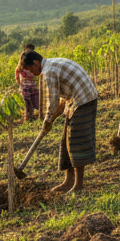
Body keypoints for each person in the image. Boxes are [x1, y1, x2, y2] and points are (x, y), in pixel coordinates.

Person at [23, 51, 99, 195]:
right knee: (66, 141)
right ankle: (68, 181)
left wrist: (47, 119)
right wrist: (51, 119)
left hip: (84, 99)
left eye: (31, 69)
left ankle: (78, 185)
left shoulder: (48, 71)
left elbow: (53, 100)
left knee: (75, 141)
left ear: (36, 63)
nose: (32, 74)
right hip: (74, 100)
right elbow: (61, 103)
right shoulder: (50, 63)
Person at [16, 43, 40, 123]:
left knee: (33, 101)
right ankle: (30, 118)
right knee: (30, 102)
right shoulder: (24, 57)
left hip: (29, 84)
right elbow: (18, 70)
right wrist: (20, 82)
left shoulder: (31, 57)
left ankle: (33, 117)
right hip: (27, 84)